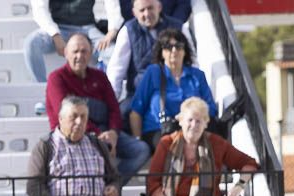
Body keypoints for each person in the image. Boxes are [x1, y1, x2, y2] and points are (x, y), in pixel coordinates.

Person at [47, 33, 150, 183]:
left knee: (141, 150)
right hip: (71, 134)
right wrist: (98, 135)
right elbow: (66, 116)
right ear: (66, 53)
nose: (79, 56)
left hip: (104, 131)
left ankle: (112, 185)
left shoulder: (99, 76)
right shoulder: (56, 78)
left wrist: (113, 132)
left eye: (84, 51)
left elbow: (114, 108)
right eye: (75, 51)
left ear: (90, 54)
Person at [128, 29, 216, 148]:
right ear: (162, 52)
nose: (174, 50)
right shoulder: (153, 72)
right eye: (168, 47)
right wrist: (137, 141)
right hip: (159, 130)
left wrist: (191, 117)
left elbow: (210, 108)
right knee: (175, 145)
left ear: (185, 51)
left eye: (179, 46)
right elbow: (136, 111)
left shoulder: (197, 75)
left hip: (193, 128)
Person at [105, 0, 188, 107]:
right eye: (142, 10)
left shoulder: (178, 28)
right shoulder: (128, 31)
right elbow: (116, 70)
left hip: (174, 92)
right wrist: (112, 103)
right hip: (138, 94)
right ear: (134, 13)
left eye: (150, 8)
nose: (147, 14)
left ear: (159, 7)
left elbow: (192, 62)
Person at [23, 0, 120, 84]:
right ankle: (42, 90)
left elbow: (112, 3)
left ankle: (111, 94)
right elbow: (39, 10)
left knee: (113, 53)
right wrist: (55, 35)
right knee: (31, 44)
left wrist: (112, 31)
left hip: (88, 29)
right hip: (58, 29)